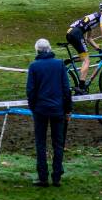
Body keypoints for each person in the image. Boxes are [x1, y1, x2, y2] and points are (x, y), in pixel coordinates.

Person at [26, 38, 72, 187]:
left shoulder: (34, 66)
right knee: (58, 144)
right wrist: (68, 109)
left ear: (37, 50)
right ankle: (57, 176)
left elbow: (30, 90)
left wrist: (33, 107)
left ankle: (43, 177)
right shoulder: (59, 64)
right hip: (57, 109)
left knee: (41, 143)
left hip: (40, 110)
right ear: (49, 48)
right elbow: (66, 89)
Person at [65, 1, 102, 86]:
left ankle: (69, 61)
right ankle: (81, 86)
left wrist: (98, 48)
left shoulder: (94, 18)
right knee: (86, 60)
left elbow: (89, 38)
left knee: (83, 57)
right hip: (76, 33)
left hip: (70, 33)